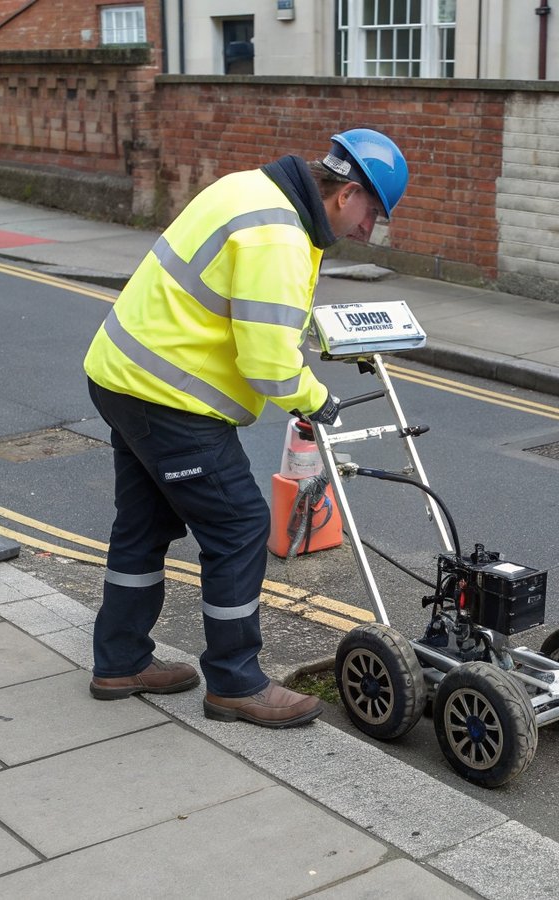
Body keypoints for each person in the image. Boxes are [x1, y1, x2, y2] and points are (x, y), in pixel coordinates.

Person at [81, 128, 409, 728]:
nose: (369, 231)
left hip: (123, 375)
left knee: (145, 523)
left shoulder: (250, 189)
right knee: (240, 524)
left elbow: (244, 310)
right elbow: (268, 365)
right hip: (168, 396)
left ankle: (120, 661)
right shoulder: (279, 235)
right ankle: (235, 682)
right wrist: (319, 401)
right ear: (348, 193)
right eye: (374, 214)